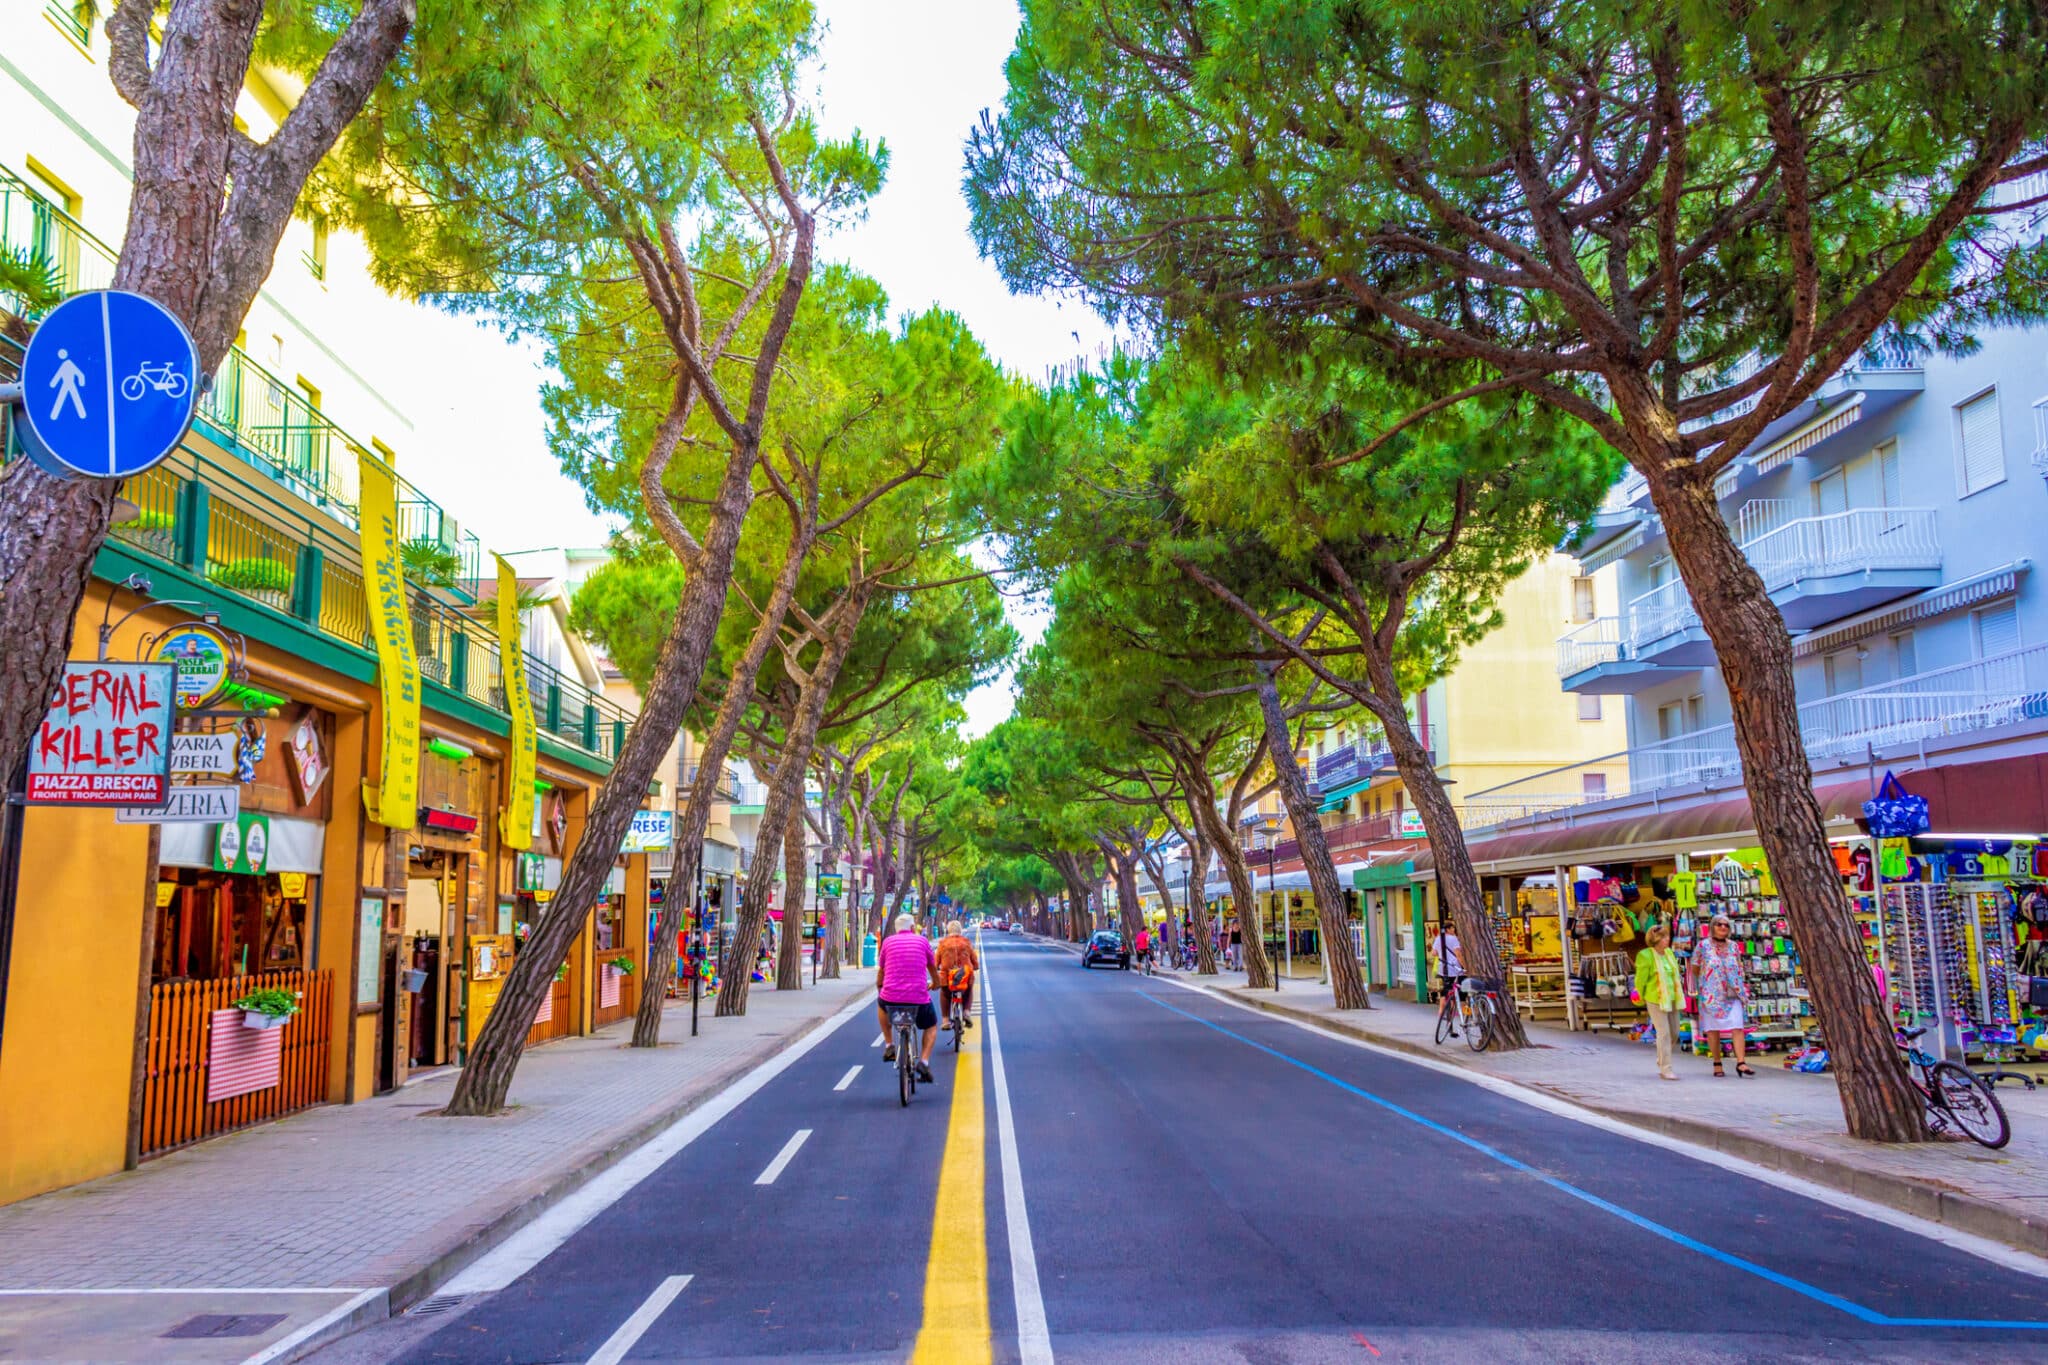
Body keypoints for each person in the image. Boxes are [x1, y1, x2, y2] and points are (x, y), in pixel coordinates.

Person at [876, 913, 940, 1081]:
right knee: (932, 1026)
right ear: (913, 928)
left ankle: (889, 1044)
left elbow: (881, 971)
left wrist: (879, 987)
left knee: (881, 1004)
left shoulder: (887, 942)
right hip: (918, 998)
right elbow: (932, 967)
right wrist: (936, 983)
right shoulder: (922, 941)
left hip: (891, 997)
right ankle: (924, 1062)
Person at [1689, 912, 1753, 1077]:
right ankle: (1717, 1063)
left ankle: (1741, 1062)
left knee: (1737, 1026)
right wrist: (1708, 980)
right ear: (1712, 927)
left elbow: (1738, 964)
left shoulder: (1733, 946)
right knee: (1712, 1029)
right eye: (1719, 924)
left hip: (1733, 992)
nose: (1723, 927)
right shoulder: (1703, 946)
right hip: (1711, 994)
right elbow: (1694, 967)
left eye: (1726, 925)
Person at [1634, 924, 1683, 1081]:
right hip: (1655, 999)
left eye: (1667, 936)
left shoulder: (1669, 953)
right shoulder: (1645, 955)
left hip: (1673, 998)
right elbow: (1640, 979)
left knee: (1675, 1032)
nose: (1667, 939)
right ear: (1655, 940)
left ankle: (1662, 1057)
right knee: (1664, 1033)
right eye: (1663, 937)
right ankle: (1665, 1068)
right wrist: (1639, 995)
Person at [935, 918, 979, 1029]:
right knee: (968, 990)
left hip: (947, 977)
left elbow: (935, 962)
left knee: (944, 994)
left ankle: (945, 1020)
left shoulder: (942, 944)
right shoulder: (966, 942)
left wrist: (937, 968)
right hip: (964, 976)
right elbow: (974, 961)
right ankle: (966, 1013)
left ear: (948, 930)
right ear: (960, 931)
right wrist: (975, 966)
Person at [1432, 920, 1464, 1001]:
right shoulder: (1454, 938)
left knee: (1446, 990)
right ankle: (1456, 1009)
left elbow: (1434, 953)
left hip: (1443, 968)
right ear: (1448, 929)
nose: (1454, 930)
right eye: (1452, 928)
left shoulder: (1438, 938)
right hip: (1454, 968)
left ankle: (1442, 1011)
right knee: (1460, 991)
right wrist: (1464, 966)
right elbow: (1458, 954)